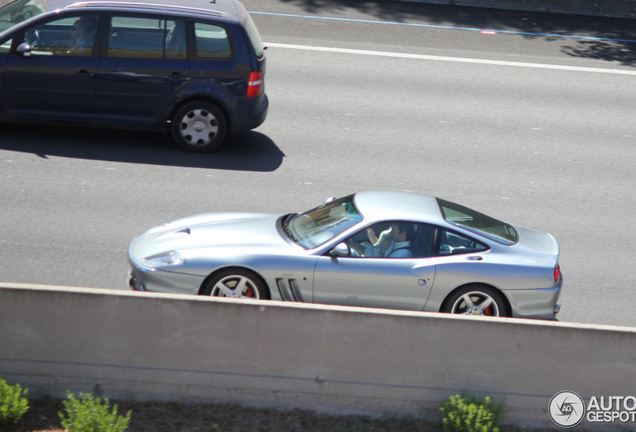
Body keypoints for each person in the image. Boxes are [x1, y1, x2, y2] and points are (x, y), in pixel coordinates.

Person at [349, 223, 415, 258]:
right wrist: (351, 244)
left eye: (393, 230)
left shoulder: (401, 255)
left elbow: (384, 268)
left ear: (403, 234)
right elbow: (374, 252)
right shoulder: (394, 243)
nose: (391, 232)